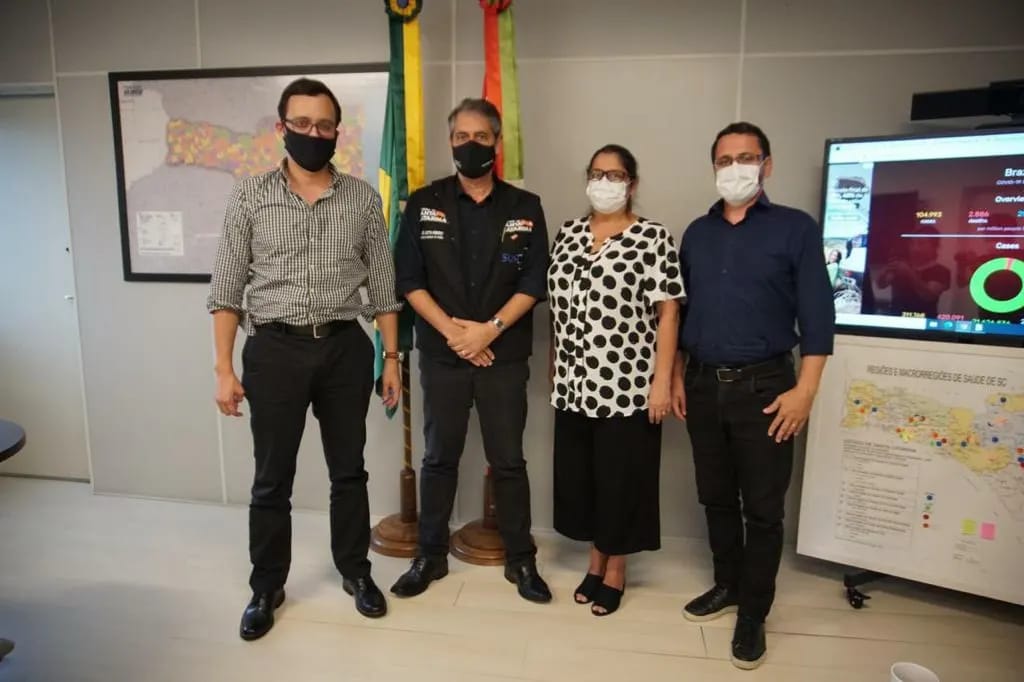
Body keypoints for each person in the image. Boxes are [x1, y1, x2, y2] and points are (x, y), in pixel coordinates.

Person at [207, 78, 402, 640]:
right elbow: (226, 289)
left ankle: (356, 571)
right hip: (274, 350)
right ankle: (266, 586)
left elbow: (383, 289)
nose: (313, 134)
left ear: (337, 132)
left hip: (344, 347)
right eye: (302, 124)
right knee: (272, 479)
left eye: (324, 125)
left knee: (350, 471)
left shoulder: (361, 198)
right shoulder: (249, 196)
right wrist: (224, 369)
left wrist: (390, 359)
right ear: (281, 128)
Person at [672, 122, 835, 670]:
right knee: (715, 497)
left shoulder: (795, 228)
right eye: (725, 160)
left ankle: (754, 612)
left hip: (767, 389)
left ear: (767, 164)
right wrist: (676, 376)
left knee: (763, 510)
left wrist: (805, 391)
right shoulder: (697, 233)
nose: (735, 168)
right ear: (713, 167)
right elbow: (682, 313)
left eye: (746, 158)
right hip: (702, 384)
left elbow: (818, 317)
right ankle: (728, 584)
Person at [391, 98, 552, 604]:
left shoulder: (525, 206)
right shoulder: (425, 202)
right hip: (443, 356)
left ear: (497, 143)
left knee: (509, 461)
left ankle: (521, 559)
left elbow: (535, 281)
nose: (471, 144)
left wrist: (489, 331)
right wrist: (457, 335)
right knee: (439, 459)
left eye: (481, 136)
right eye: (462, 136)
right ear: (450, 142)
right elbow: (408, 280)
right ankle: (430, 555)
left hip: (502, 357)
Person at [548, 145, 684, 616]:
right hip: (573, 384)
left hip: (627, 386)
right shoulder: (568, 233)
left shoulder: (652, 237)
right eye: (597, 173)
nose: (604, 182)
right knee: (584, 479)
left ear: (632, 183)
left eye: (616, 174)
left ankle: (616, 569)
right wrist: (555, 363)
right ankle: (595, 559)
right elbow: (558, 307)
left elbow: (669, 313)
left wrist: (661, 382)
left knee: (620, 480)